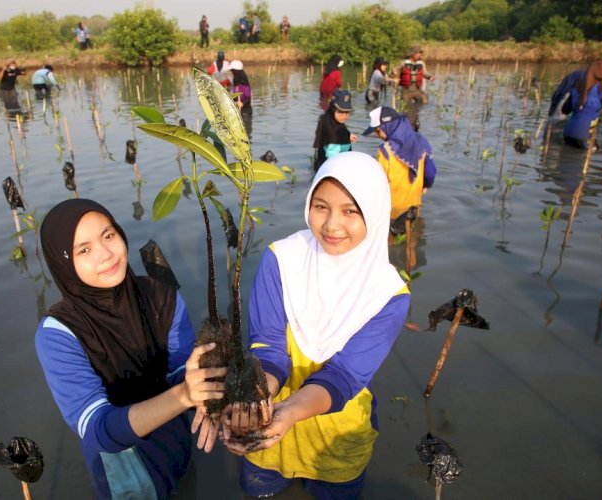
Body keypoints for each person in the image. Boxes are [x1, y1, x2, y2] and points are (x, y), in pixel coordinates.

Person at [222, 151, 410, 499]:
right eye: (320, 206)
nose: (331, 224)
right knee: (257, 489)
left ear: (376, 213)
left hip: (337, 439)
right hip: (268, 430)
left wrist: (290, 411)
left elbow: (345, 376)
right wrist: (253, 403)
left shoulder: (389, 294)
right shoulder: (281, 259)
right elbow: (268, 347)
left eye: (351, 211)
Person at [35, 198, 226, 499]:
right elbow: (98, 430)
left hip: (176, 438)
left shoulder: (162, 297)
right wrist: (186, 395)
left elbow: (179, 372)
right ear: (63, 264)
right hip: (122, 466)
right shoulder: (58, 333)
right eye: (84, 250)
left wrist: (210, 391)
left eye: (108, 235)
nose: (106, 254)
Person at [363, 106, 436, 221]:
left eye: (378, 131)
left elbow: (378, 184)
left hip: (391, 210)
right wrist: (426, 185)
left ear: (388, 126)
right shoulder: (422, 141)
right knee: (411, 235)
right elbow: (430, 172)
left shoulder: (385, 151)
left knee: (391, 238)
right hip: (414, 206)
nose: (377, 135)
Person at [549, 61, 602, 149]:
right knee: (592, 152)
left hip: (567, 134)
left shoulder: (577, 88)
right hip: (583, 135)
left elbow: (565, 110)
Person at [312, 89, 357, 171]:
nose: (344, 116)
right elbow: (332, 154)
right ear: (333, 109)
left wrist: (348, 135)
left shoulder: (333, 121)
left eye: (347, 113)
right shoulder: (329, 127)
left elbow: (339, 135)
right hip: (331, 168)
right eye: (340, 112)